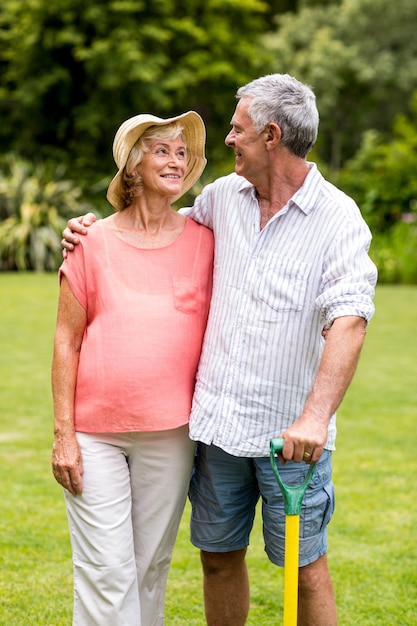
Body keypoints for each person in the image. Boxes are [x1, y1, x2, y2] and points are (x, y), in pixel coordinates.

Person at [62, 73, 378, 626]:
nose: (228, 141)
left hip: (290, 435)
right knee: (218, 560)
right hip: (218, 428)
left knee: (304, 568)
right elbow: (154, 231)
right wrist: (91, 230)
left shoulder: (337, 218)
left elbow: (349, 321)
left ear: (272, 136)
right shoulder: (219, 200)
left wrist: (315, 417)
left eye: (238, 130)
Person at [51, 111, 214, 626]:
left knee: (150, 567)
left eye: (182, 152)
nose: (175, 160)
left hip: (171, 432)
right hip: (94, 434)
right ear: (132, 168)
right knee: (106, 569)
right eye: (161, 150)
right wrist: (63, 435)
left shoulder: (206, 240)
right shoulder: (90, 242)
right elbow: (65, 340)